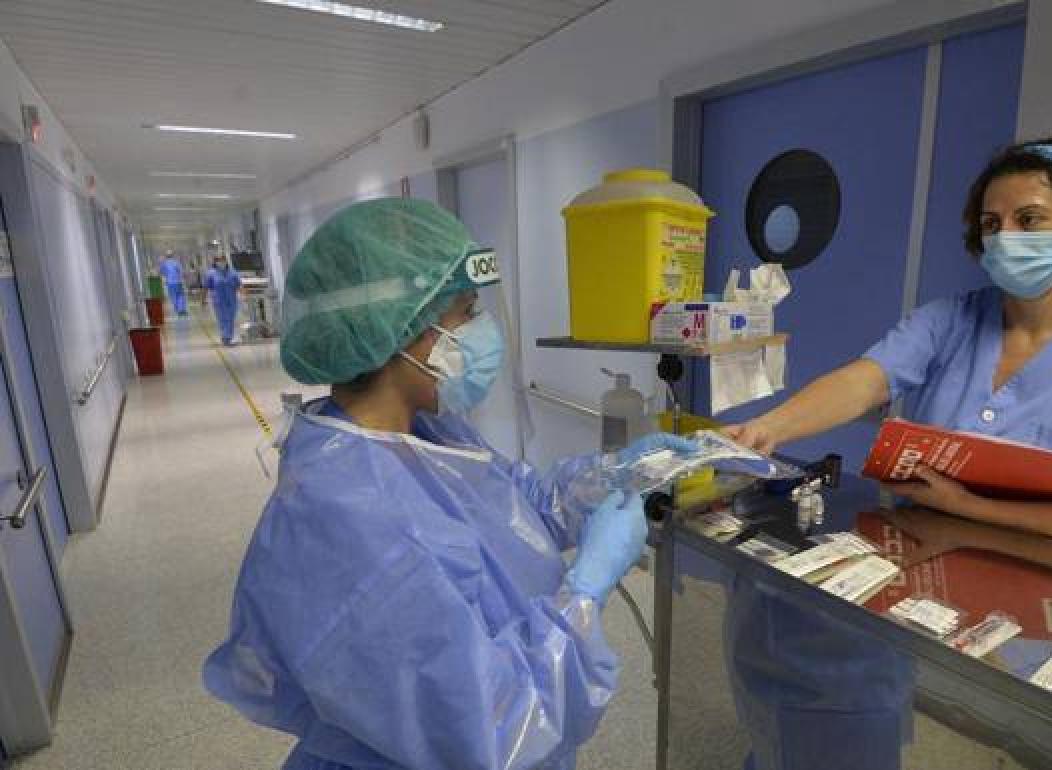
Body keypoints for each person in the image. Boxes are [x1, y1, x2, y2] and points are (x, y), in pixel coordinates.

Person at [203, 198, 697, 770]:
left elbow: (519, 505)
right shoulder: (345, 515)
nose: (483, 330)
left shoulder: (426, 432)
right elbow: (492, 728)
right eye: (467, 311)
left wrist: (616, 474)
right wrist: (585, 591)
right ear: (406, 333)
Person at [726, 136, 1052, 545]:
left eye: (1029, 220)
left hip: (1042, 587)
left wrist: (968, 506)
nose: (1006, 238)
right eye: (992, 224)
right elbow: (864, 382)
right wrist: (767, 428)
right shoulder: (949, 320)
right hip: (917, 559)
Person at [203, 255, 241, 345]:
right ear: (215, 262)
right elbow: (206, 287)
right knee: (222, 319)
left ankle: (227, 337)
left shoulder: (232, 273)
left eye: (223, 260)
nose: (221, 263)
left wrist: (243, 295)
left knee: (231, 319)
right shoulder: (211, 273)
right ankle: (226, 338)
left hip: (232, 300)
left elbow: (238, 285)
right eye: (219, 261)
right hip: (218, 301)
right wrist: (203, 299)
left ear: (226, 261)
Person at [159, 250, 188, 316]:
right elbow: (181, 272)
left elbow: (161, 272)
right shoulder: (176, 263)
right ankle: (182, 310)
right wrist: (183, 279)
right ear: (173, 255)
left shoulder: (164, 264)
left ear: (166, 256)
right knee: (180, 296)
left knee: (173, 296)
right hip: (178, 282)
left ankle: (178, 310)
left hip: (170, 283)